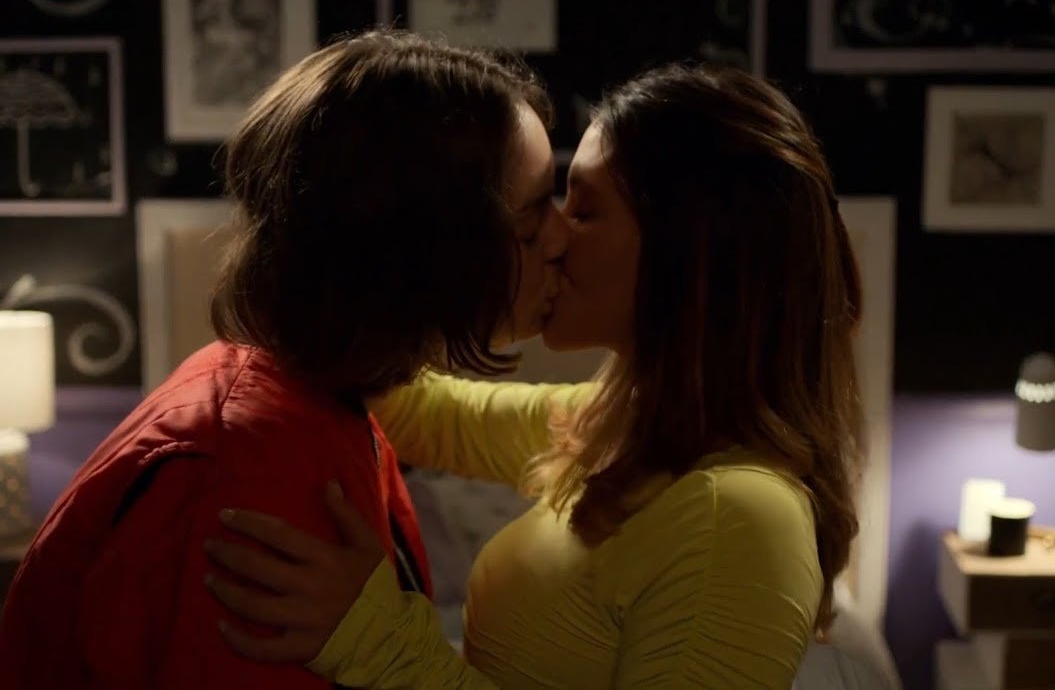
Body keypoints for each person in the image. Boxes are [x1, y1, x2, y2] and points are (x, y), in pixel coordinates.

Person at [201, 64, 865, 688]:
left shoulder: (738, 516)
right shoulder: (623, 428)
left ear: (687, 255)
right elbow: (417, 410)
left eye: (583, 209)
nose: (554, 236)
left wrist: (378, 639)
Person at [0, 30, 578, 690]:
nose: (563, 238)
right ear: (426, 252)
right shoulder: (251, 474)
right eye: (532, 220)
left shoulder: (323, 396)